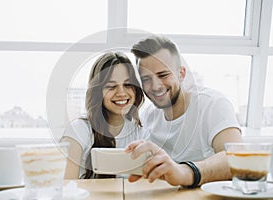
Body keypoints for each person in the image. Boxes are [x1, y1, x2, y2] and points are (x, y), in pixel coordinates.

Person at [125, 35, 242, 188]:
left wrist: (185, 172)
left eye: (163, 75)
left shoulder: (213, 104)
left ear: (181, 74)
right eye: (146, 79)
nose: (155, 86)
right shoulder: (149, 115)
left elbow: (236, 158)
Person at [61, 52, 149, 179]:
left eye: (127, 84)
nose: (121, 93)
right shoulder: (79, 130)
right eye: (111, 86)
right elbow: (66, 189)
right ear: (97, 91)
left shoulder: (140, 134)